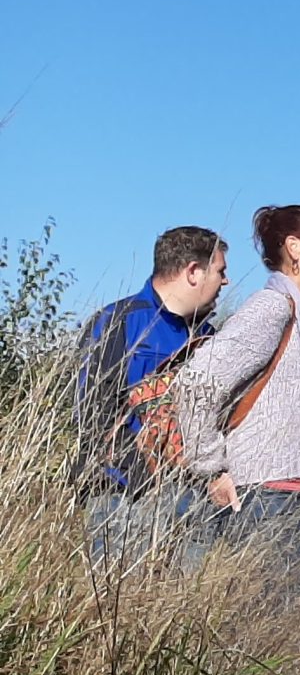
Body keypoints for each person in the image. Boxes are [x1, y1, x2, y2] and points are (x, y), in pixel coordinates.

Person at [172, 198, 300, 609]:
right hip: (264, 497)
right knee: (275, 633)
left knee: (279, 629)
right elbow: (196, 383)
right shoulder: (273, 306)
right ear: (295, 247)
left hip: (287, 496)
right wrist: (211, 468)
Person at [71, 225, 229, 571]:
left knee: (183, 611)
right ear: (193, 272)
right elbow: (90, 410)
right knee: (121, 606)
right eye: (220, 270)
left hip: (193, 498)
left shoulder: (209, 338)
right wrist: (142, 474)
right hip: (121, 495)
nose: (225, 281)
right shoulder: (118, 321)